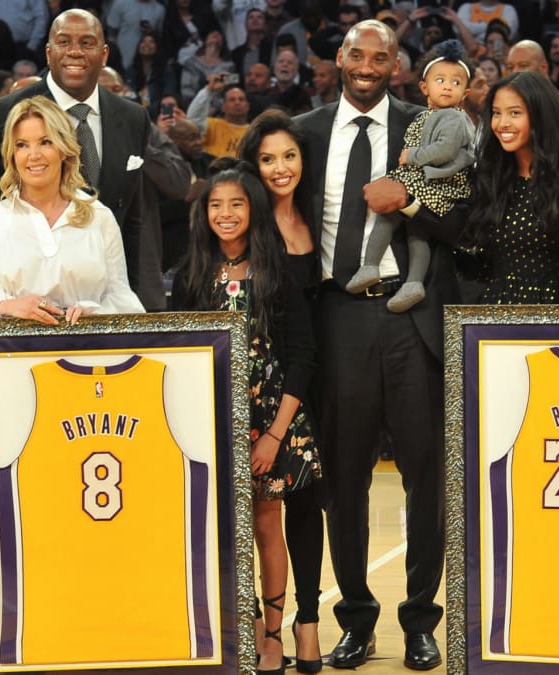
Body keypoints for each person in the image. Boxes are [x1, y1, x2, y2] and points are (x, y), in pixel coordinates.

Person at [294, 19, 458, 671]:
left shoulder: (429, 128)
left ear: (397, 65)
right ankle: (356, 619)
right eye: (356, 54)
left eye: (380, 56)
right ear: (339, 58)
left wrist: (412, 203)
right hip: (336, 318)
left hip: (410, 314)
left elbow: (459, 221)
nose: (366, 65)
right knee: (344, 480)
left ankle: (421, 619)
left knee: (426, 476)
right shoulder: (303, 133)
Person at [0, 9, 176, 342]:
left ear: (104, 54)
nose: (75, 51)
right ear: (48, 52)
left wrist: (126, 306)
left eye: (86, 42)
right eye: (64, 42)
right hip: (17, 329)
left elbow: (129, 220)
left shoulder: (132, 117)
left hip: (99, 317)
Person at [171, 161, 318, 675]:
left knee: (266, 524)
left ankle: (275, 635)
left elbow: (303, 355)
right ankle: (245, 627)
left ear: (252, 210)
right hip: (211, 416)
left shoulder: (277, 270)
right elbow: (179, 352)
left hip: (271, 419)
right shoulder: (191, 274)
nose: (226, 214)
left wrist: (274, 435)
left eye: (236, 204)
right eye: (215, 205)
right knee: (223, 528)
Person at [237, 108, 325, 674]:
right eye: (267, 158)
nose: (280, 167)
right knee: (266, 510)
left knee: (310, 502)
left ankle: (308, 621)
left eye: (289, 155)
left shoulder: (320, 212)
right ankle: (262, 627)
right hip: (272, 381)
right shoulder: (246, 223)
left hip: (324, 363)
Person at [0, 96, 143, 323]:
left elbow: (123, 299)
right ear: (12, 154)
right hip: (10, 354)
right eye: (22, 145)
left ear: (64, 149)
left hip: (88, 352)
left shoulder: (99, 216)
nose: (34, 155)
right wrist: (8, 306)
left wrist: (96, 314)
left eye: (45, 142)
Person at [346, 40, 475, 313]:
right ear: (425, 88)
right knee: (417, 230)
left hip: (439, 183)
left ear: (466, 92)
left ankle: (373, 266)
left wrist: (412, 156)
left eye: (456, 82)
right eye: (441, 80)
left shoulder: (455, 118)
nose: (448, 86)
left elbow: (445, 150)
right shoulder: (425, 116)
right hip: (424, 178)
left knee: (391, 214)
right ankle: (411, 283)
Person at [463, 70, 559, 304]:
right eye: (496, 113)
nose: (502, 124)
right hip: (496, 317)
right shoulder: (486, 177)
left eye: (514, 113)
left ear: (541, 116)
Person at [504, 39, 559, 144]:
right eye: (510, 67)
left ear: (543, 67)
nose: (514, 72)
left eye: (523, 65)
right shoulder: (503, 112)